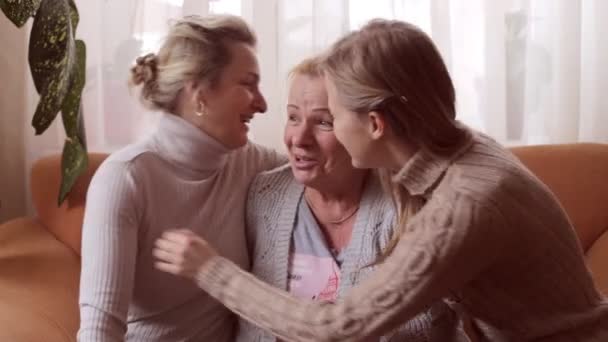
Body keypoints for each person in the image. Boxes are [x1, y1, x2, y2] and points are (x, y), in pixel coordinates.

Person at [153, 19, 608, 342]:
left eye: (331, 116)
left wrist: (211, 271)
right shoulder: (453, 148)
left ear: (375, 124)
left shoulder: (464, 204)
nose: (301, 134)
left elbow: (339, 328)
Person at [77, 15, 286, 341]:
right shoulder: (125, 178)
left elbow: (328, 168)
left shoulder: (250, 162)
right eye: (248, 84)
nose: (262, 104)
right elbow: (100, 328)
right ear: (199, 93)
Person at [236, 57, 459, 341]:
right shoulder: (265, 195)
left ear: (365, 127)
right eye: (293, 117)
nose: (299, 138)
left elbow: (430, 329)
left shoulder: (407, 206)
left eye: (324, 122)